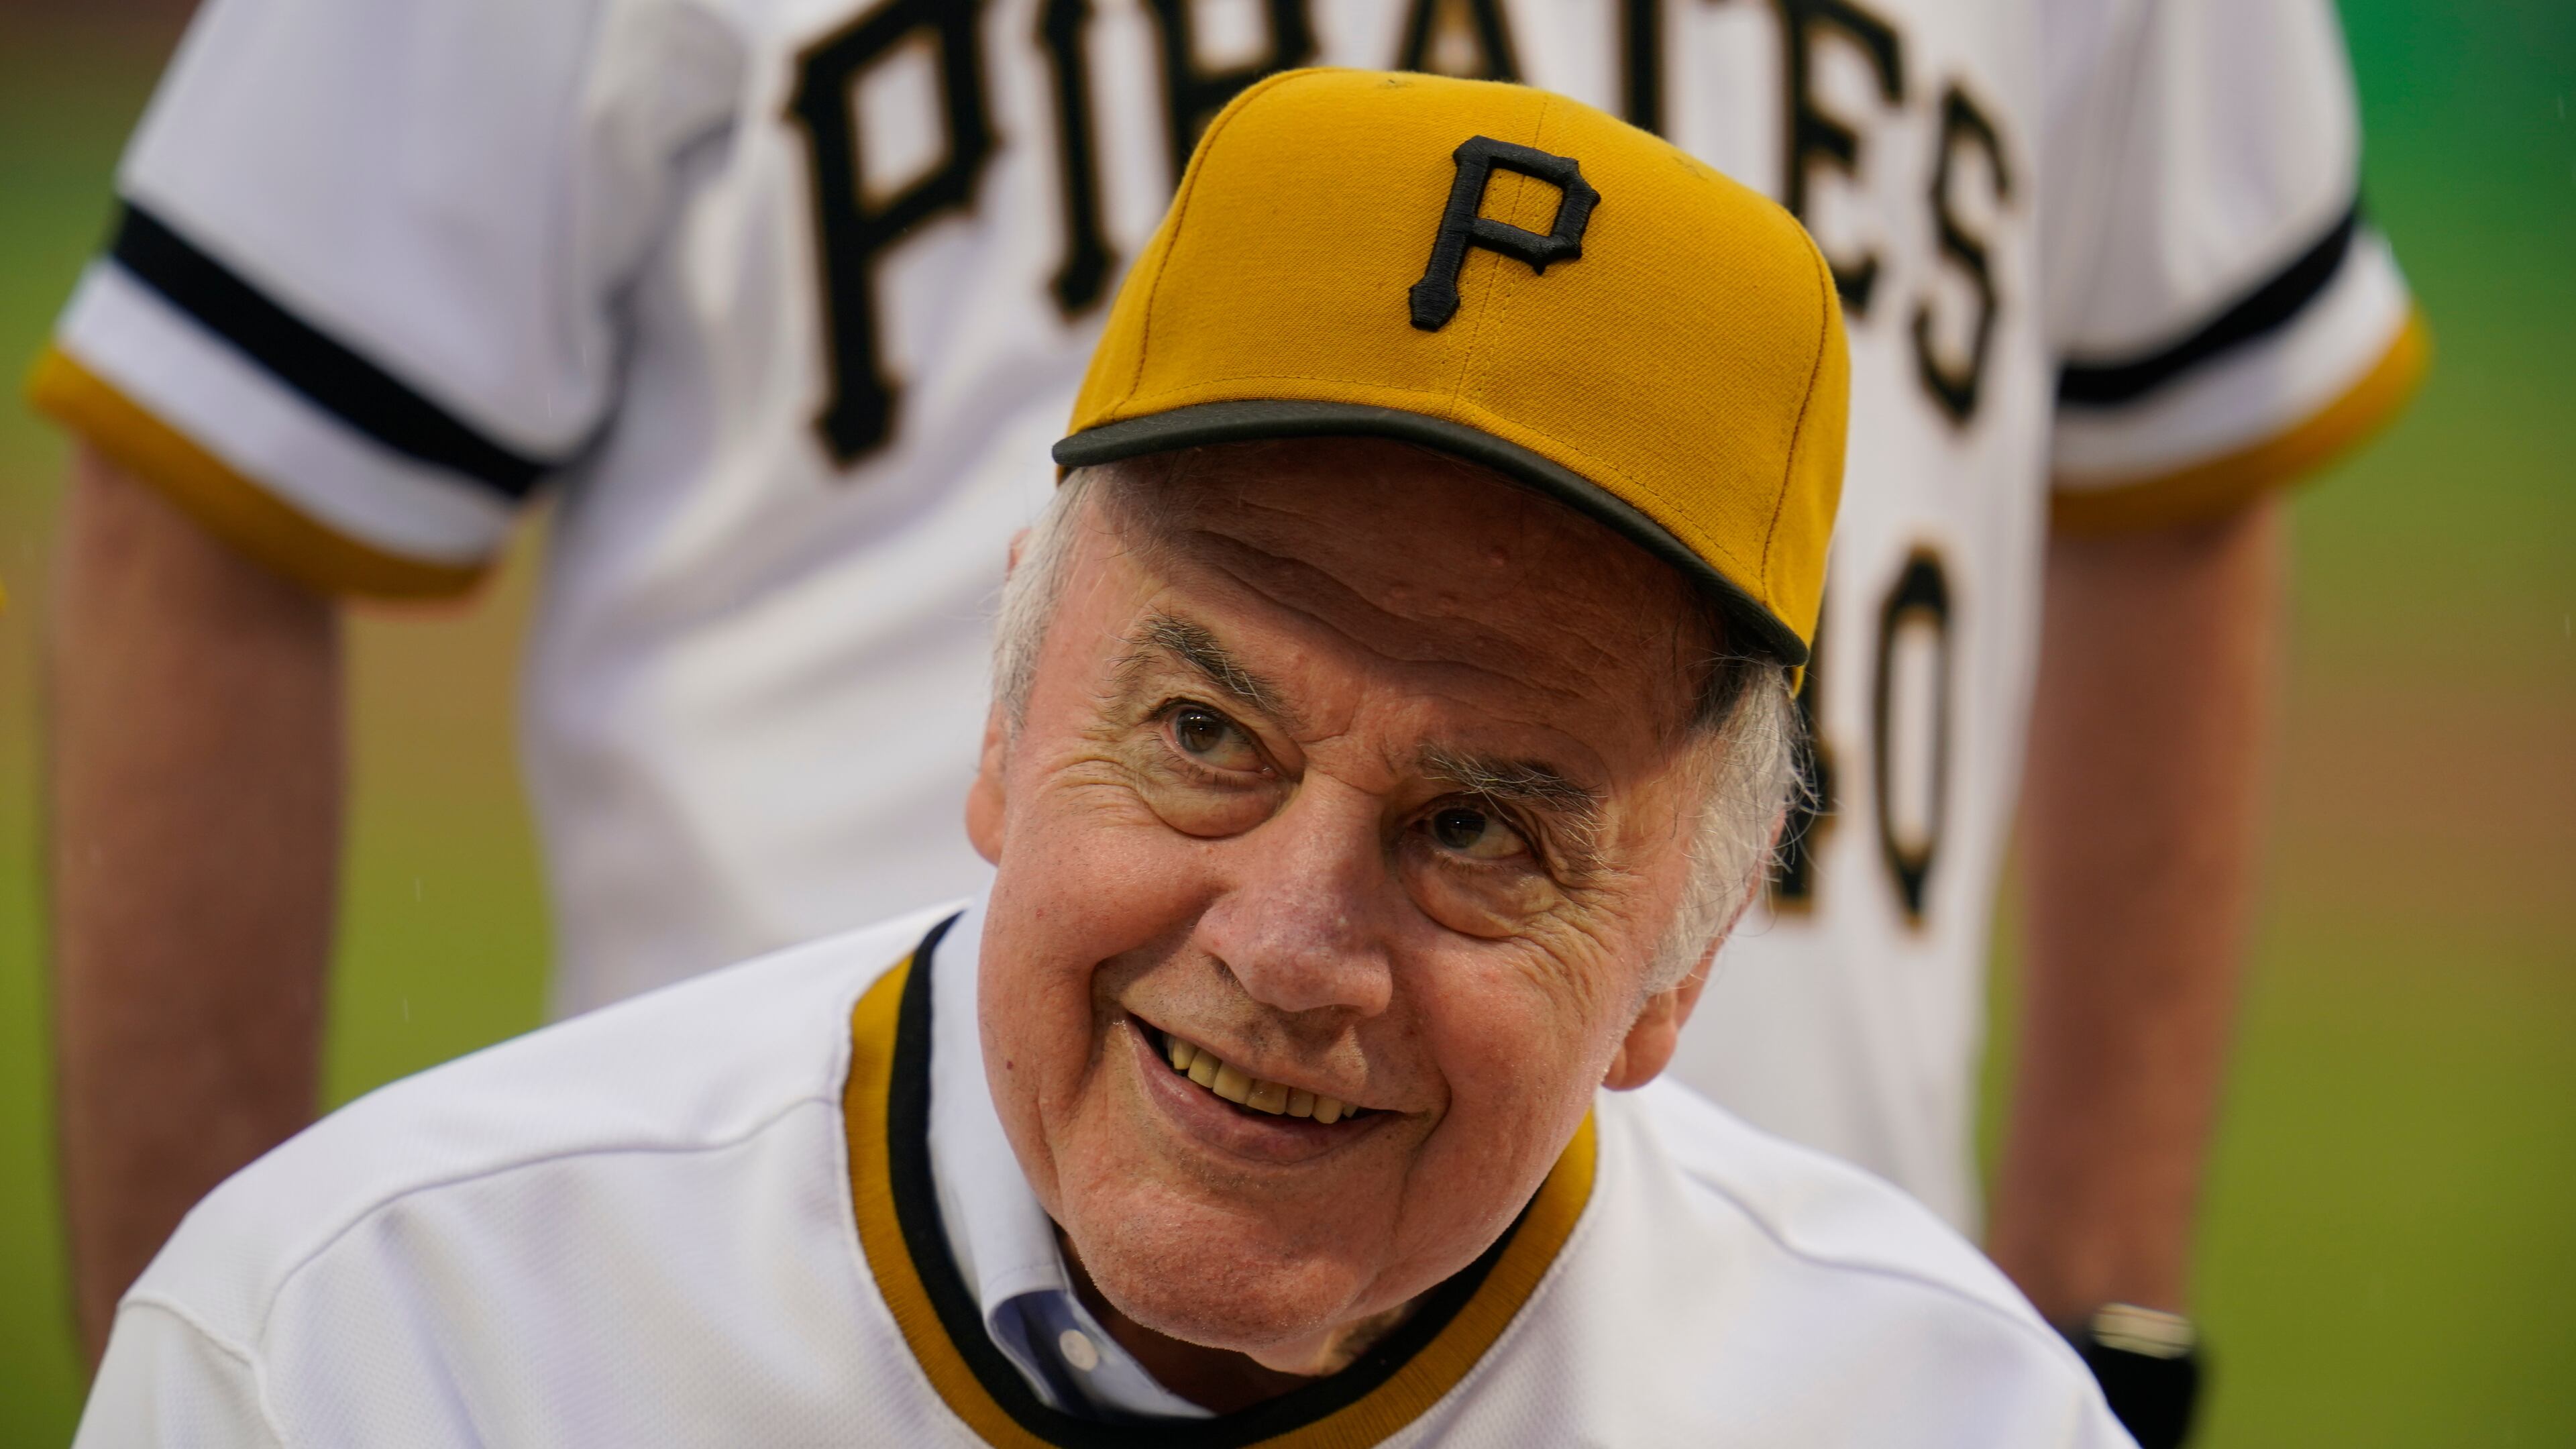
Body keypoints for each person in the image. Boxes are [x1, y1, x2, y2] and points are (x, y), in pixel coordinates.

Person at [34, 0, 2418, 1433]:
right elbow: (216, 478)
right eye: (1203, 727)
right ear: (1012, 706)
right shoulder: (389, 1327)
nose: (1293, 928)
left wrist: (2083, 1340)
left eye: (1480, 812)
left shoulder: (1936, 1408)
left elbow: (2172, 457)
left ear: (1703, 936)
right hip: (721, 1317)